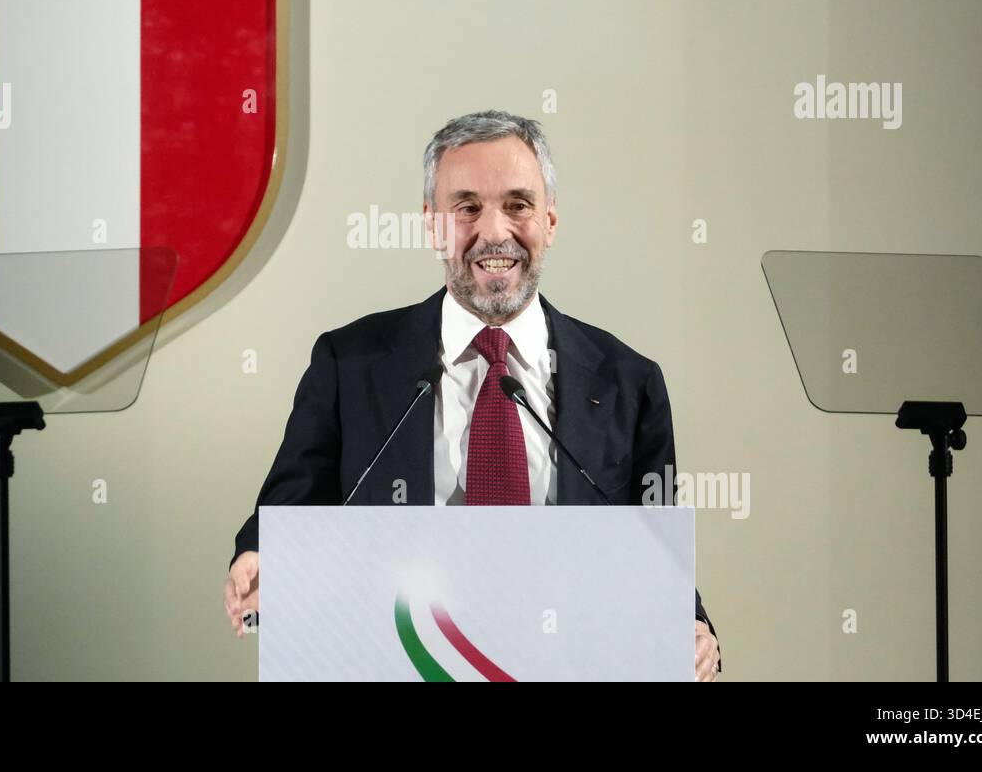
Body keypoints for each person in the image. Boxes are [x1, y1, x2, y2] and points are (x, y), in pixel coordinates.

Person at [224, 111, 721, 680]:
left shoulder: (628, 381)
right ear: (432, 225)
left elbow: (654, 544)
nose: (494, 232)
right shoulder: (349, 364)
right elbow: (292, 507)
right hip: (399, 660)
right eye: (466, 208)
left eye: (517, 205)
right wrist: (260, 557)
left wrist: (691, 624)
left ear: (550, 220)